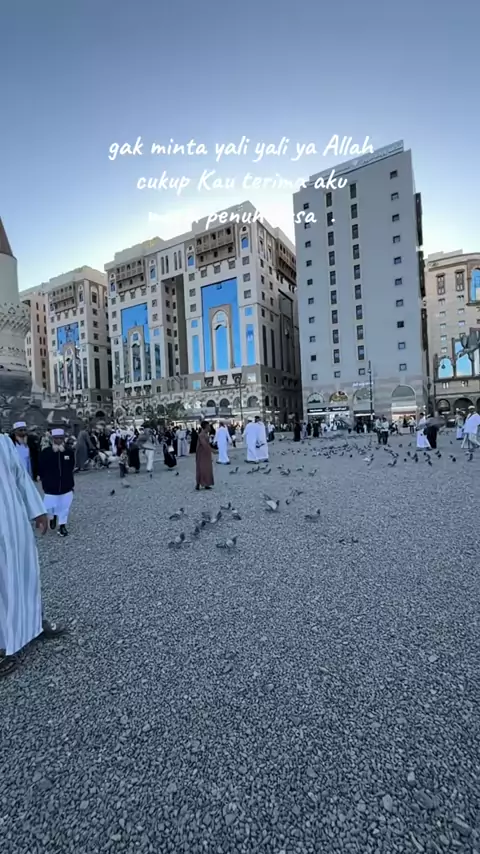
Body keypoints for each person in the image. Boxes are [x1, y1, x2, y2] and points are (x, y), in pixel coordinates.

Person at [0, 434, 66, 678]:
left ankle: (33, 624)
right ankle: (3, 646)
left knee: (26, 572)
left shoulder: (3, 441)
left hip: (14, 522)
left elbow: (19, 475)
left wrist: (37, 510)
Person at [38, 428, 75, 537]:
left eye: (60, 438)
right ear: (53, 439)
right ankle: (52, 516)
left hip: (66, 485)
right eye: (56, 438)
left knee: (64, 507)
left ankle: (62, 526)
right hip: (50, 485)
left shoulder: (69, 451)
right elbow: (41, 467)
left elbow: (72, 465)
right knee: (50, 506)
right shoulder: (46, 452)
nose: (58, 440)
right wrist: (43, 479)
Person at [196, 421, 214, 490]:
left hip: (206, 454)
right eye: (209, 426)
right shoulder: (201, 435)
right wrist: (212, 450)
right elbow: (204, 444)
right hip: (201, 454)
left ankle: (206, 483)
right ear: (206, 426)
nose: (210, 427)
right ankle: (198, 483)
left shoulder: (205, 434)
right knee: (201, 468)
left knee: (207, 468)